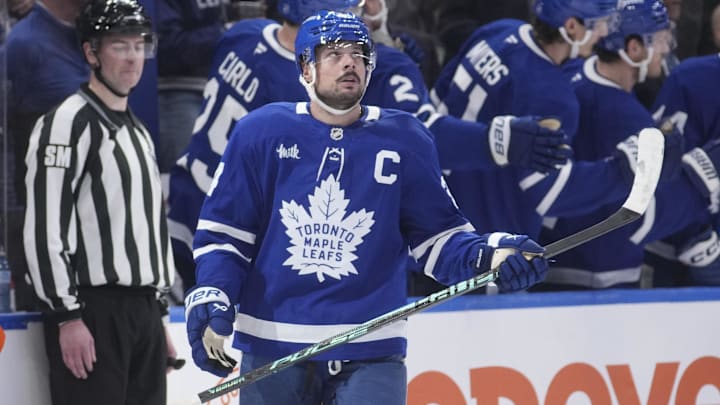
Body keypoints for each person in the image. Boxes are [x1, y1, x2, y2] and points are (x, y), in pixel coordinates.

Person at [184, 10, 550, 404]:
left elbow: (439, 241)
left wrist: (490, 255)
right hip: (275, 346)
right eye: (334, 53)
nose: (349, 62)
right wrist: (213, 292)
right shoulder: (260, 133)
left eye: (359, 53)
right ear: (306, 67)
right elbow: (226, 235)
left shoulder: (406, 138)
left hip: (372, 349)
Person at [168, 0, 571, 290]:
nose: (371, 9)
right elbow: (423, 132)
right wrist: (494, 141)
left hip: (191, 210)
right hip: (247, 238)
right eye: (357, 4)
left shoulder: (242, 35)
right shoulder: (313, 84)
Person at [430, 0, 686, 247]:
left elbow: (435, 108)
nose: (605, 32)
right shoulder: (552, 95)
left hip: (433, 217)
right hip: (485, 239)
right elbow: (550, 192)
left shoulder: (497, 30)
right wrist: (622, 171)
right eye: (598, 24)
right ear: (572, 26)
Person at [23, 1, 177, 404]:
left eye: (139, 45)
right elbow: (44, 228)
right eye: (119, 46)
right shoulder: (67, 122)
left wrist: (158, 318)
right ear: (91, 52)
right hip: (94, 310)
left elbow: (148, 229)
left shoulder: (138, 132)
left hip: (142, 313)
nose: (133, 58)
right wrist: (67, 315)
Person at [533, 0, 716, 290]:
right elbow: (643, 217)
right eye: (659, 40)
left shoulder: (572, 74)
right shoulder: (630, 120)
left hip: (550, 256)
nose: (666, 49)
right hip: (599, 276)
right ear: (634, 49)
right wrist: (701, 183)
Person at [4, 0, 90, 311]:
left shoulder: (99, 33)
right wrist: (16, 221)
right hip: (42, 218)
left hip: (96, 216)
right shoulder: (24, 46)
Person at [155, 0, 227, 173]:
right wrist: (223, 32)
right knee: (183, 174)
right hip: (177, 92)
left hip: (218, 88)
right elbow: (167, 48)